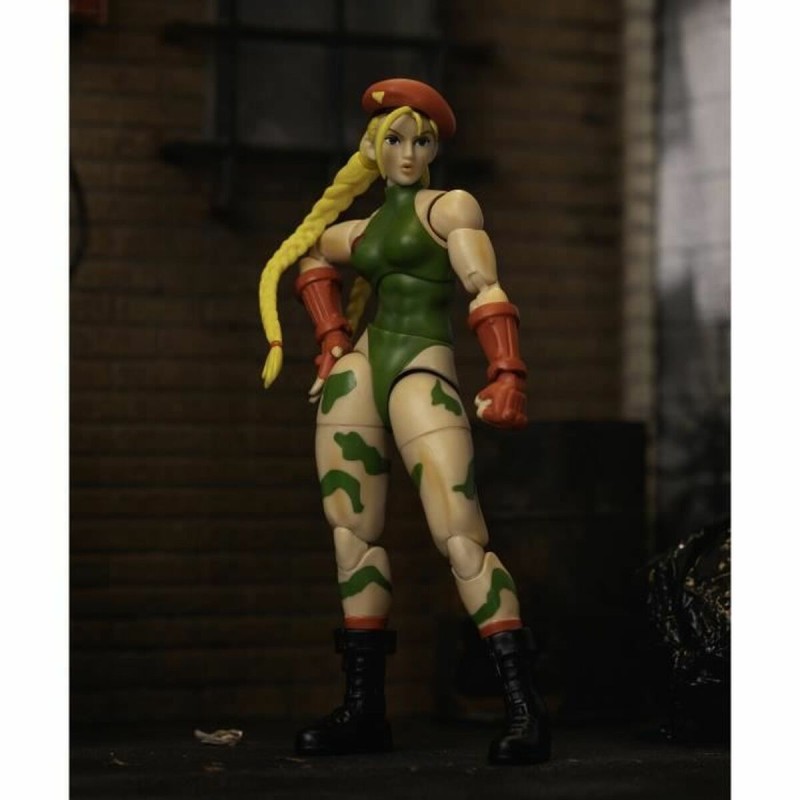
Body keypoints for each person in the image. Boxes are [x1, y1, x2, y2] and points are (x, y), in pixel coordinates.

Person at [258, 78, 550, 765]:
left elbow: (484, 286)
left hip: (422, 365)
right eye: (395, 139)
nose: (410, 153)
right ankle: (365, 709)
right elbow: (312, 258)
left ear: (435, 150)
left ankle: (523, 705)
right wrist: (331, 336)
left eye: (422, 141)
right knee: (351, 536)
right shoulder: (359, 230)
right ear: (373, 149)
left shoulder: (448, 209)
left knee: (460, 536)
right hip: (363, 366)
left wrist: (507, 372)